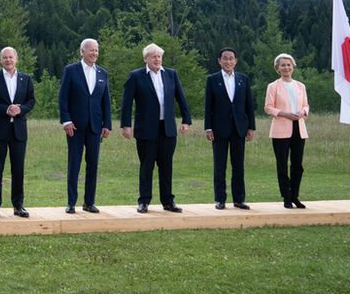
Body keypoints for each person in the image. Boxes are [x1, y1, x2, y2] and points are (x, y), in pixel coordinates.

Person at [121, 43, 192, 213]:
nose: (157, 59)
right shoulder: (136, 76)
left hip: (167, 129)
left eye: (159, 56)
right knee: (146, 166)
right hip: (146, 130)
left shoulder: (171, 75)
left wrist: (186, 120)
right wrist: (126, 125)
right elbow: (126, 102)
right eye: (153, 56)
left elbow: (181, 98)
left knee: (166, 166)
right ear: (146, 59)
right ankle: (144, 201)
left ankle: (168, 201)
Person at [59, 38, 111, 214]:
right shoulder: (71, 70)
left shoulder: (103, 73)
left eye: (96, 50)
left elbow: (106, 102)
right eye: (91, 50)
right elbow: (63, 98)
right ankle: (71, 203)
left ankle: (89, 202)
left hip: (95, 127)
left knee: (93, 164)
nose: (94, 53)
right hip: (74, 126)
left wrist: (107, 124)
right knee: (74, 164)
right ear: (82, 51)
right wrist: (66, 120)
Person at [0, 47, 36, 219]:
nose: (8, 60)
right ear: (0, 60)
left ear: (16, 59)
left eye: (10, 57)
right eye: (4, 58)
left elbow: (31, 101)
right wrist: (6, 109)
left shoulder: (26, 79)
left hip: (19, 130)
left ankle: (18, 205)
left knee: (18, 169)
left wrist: (19, 110)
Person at [204, 47, 255, 210]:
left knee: (238, 165)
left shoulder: (243, 79)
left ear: (236, 60)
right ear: (219, 61)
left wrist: (251, 127)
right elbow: (208, 106)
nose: (228, 61)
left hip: (239, 128)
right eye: (225, 58)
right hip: (219, 128)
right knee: (220, 166)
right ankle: (220, 199)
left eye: (231, 58)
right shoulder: (212, 79)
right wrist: (208, 128)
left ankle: (239, 199)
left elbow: (249, 105)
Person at [264, 53, 309, 209]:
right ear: (277, 68)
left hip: (299, 128)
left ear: (293, 67)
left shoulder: (300, 86)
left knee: (297, 164)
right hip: (281, 129)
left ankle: (295, 195)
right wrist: (285, 114)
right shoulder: (273, 86)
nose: (286, 67)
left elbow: (306, 105)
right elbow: (268, 107)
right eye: (282, 65)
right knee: (282, 164)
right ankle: (286, 197)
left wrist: (303, 112)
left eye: (288, 65)